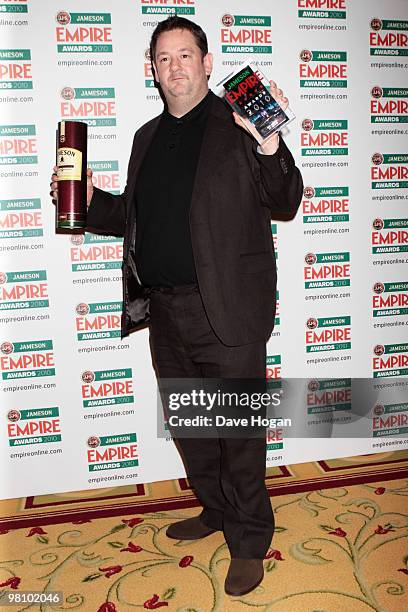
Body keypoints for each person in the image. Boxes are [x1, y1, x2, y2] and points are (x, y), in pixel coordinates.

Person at [51, 16, 303, 596]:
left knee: (238, 433)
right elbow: (135, 221)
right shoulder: (145, 137)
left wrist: (270, 143)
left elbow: (285, 199)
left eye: (185, 56)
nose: (174, 68)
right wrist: (90, 204)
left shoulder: (240, 122)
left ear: (207, 63)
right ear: (153, 71)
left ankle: (248, 539)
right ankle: (216, 510)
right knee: (192, 427)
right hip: (164, 312)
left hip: (228, 311)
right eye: (163, 59)